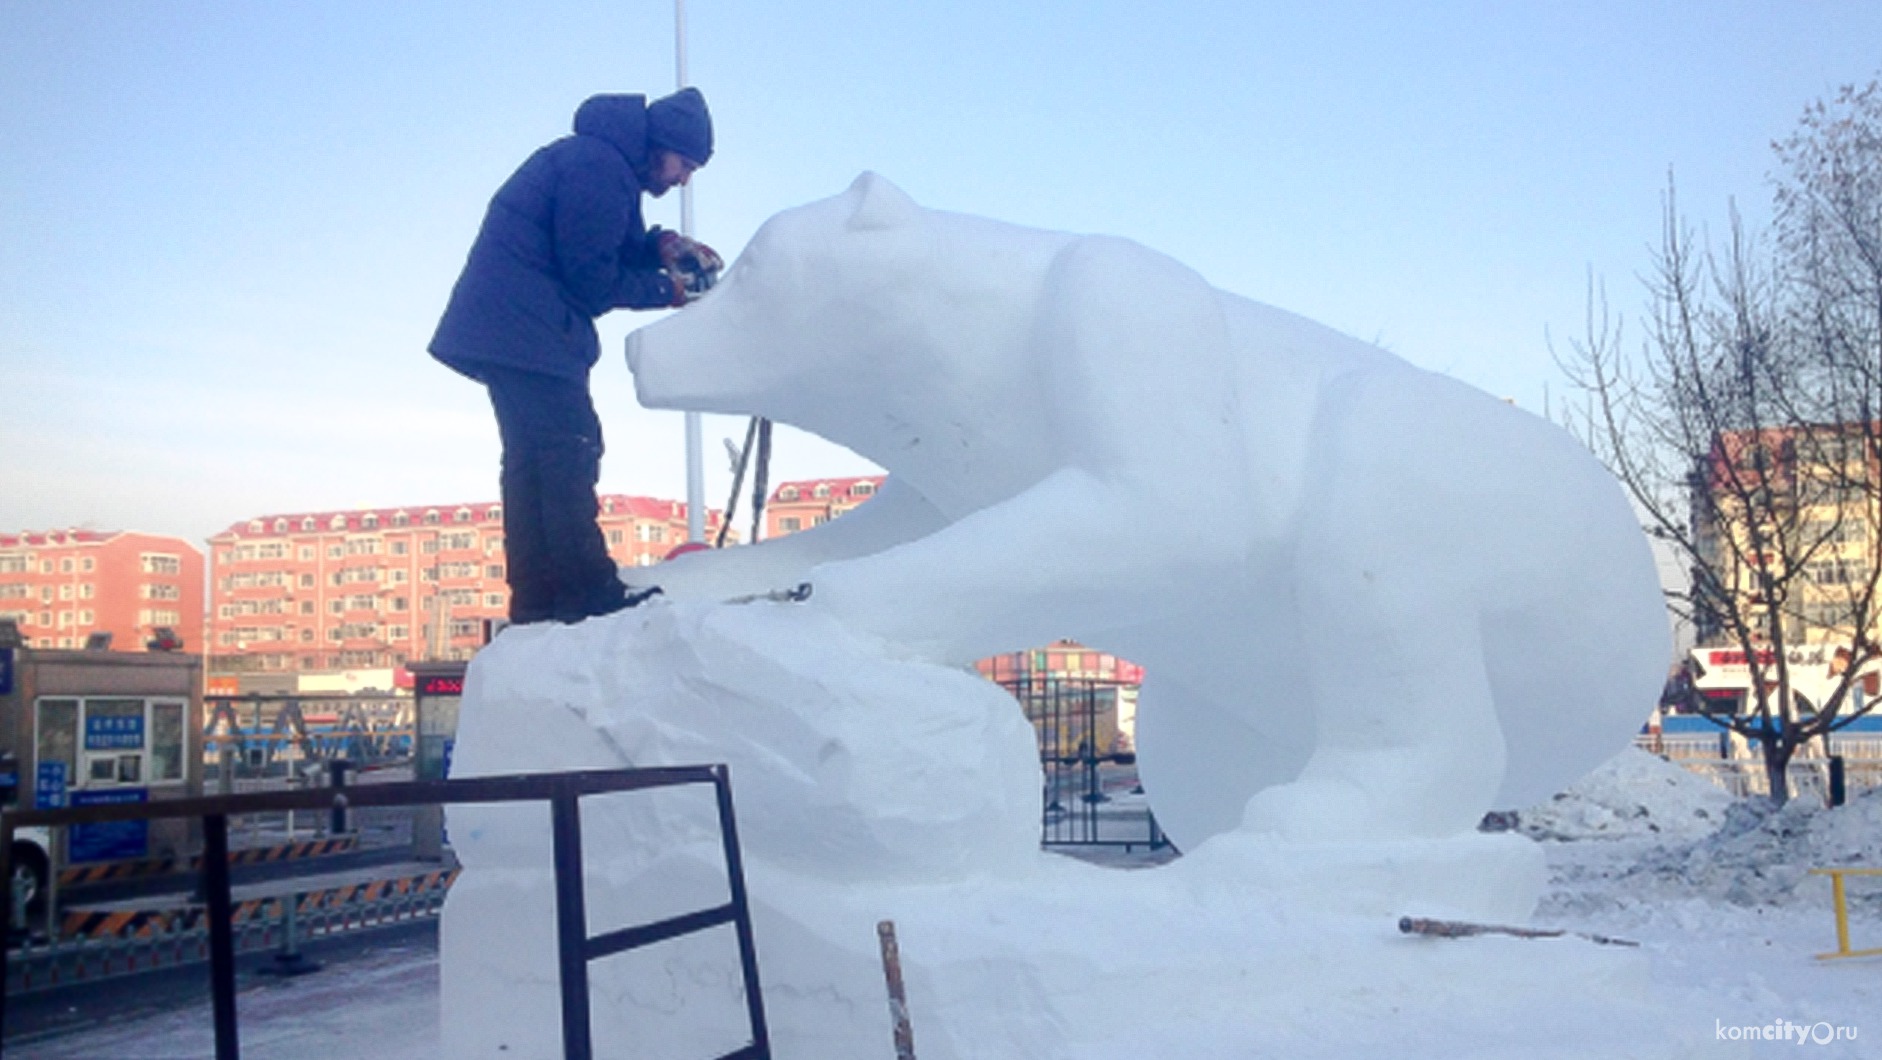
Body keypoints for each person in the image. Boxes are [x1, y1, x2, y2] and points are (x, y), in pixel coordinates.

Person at [430, 89, 722, 625]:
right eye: (685, 163)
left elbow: (598, 241)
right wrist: (668, 290)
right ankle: (588, 593)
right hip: (529, 327)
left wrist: (659, 246)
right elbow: (590, 280)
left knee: (533, 461)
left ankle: (540, 599)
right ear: (661, 145)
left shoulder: (596, 160)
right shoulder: (599, 166)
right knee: (568, 449)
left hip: (509, 326)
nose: (683, 179)